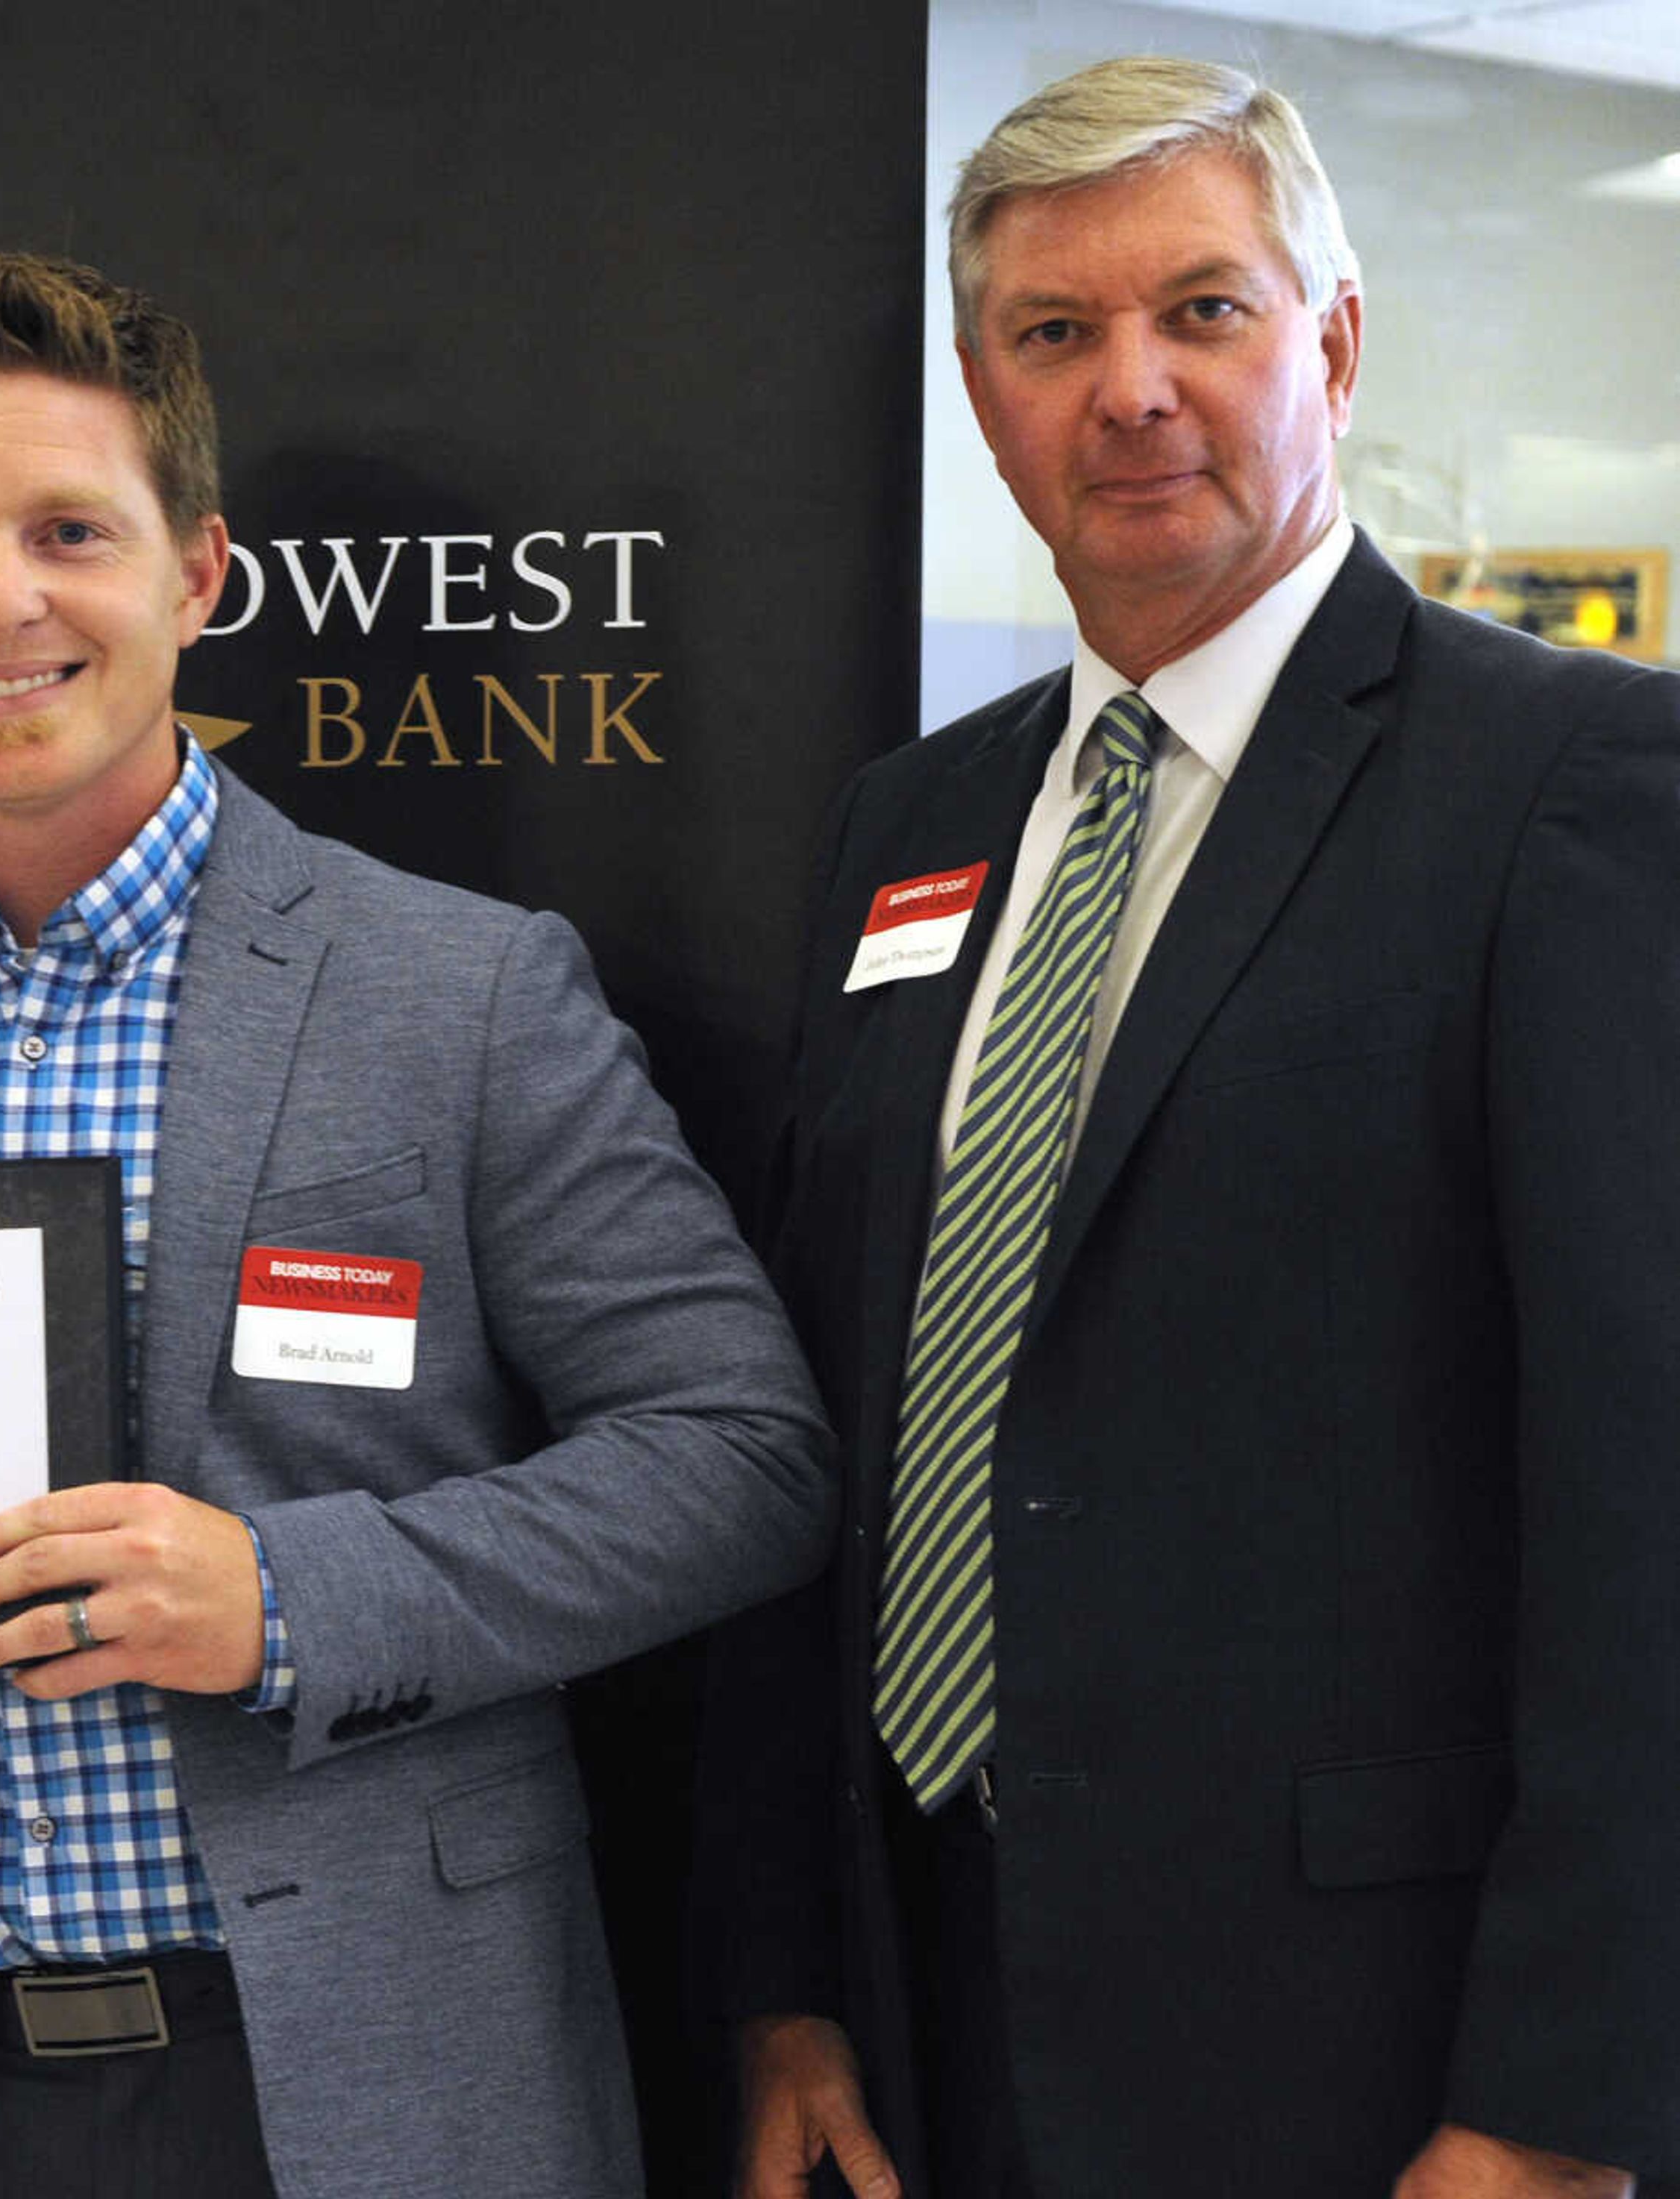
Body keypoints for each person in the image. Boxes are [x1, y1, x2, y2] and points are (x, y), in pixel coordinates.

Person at [0, 249, 833, 2199]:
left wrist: (286, 1603)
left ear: (197, 574)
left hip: (368, 2078)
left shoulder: (461, 994)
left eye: (68, 530)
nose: (2, 597)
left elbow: (742, 1461)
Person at [698, 54, 1680, 2199]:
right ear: (987, 398)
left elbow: (1648, 1500)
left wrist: (1560, 2107)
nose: (1131, 388)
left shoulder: (1579, 787)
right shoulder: (908, 823)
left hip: (1366, 2046)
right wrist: (791, 1984)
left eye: (1203, 312)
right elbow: (821, 1415)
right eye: (1058, 334)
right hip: (929, 2007)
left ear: (1329, 342)